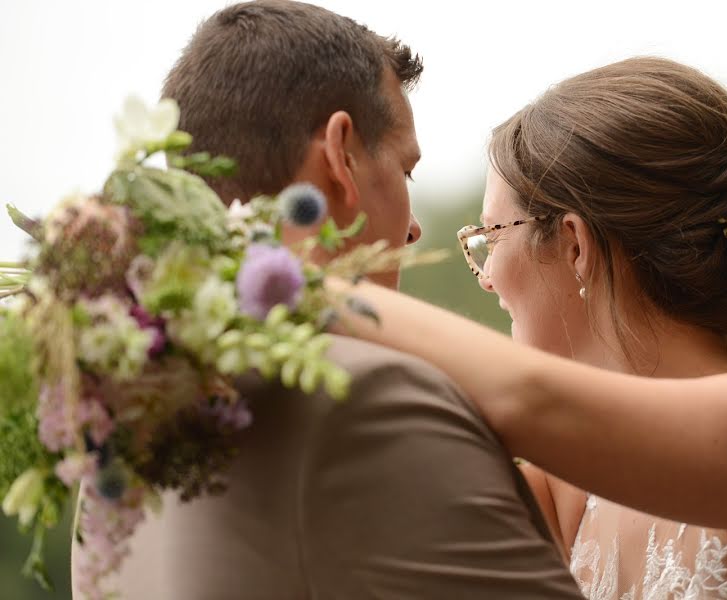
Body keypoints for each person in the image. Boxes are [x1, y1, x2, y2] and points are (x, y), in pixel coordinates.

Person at [327, 57, 727, 600]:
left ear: (575, 244)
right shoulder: (563, 488)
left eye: (492, 236)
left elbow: (525, 397)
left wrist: (300, 287)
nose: (487, 276)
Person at [70, 2, 585, 598]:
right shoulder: (370, 400)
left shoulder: (118, 429)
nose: (414, 228)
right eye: (404, 168)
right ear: (342, 154)